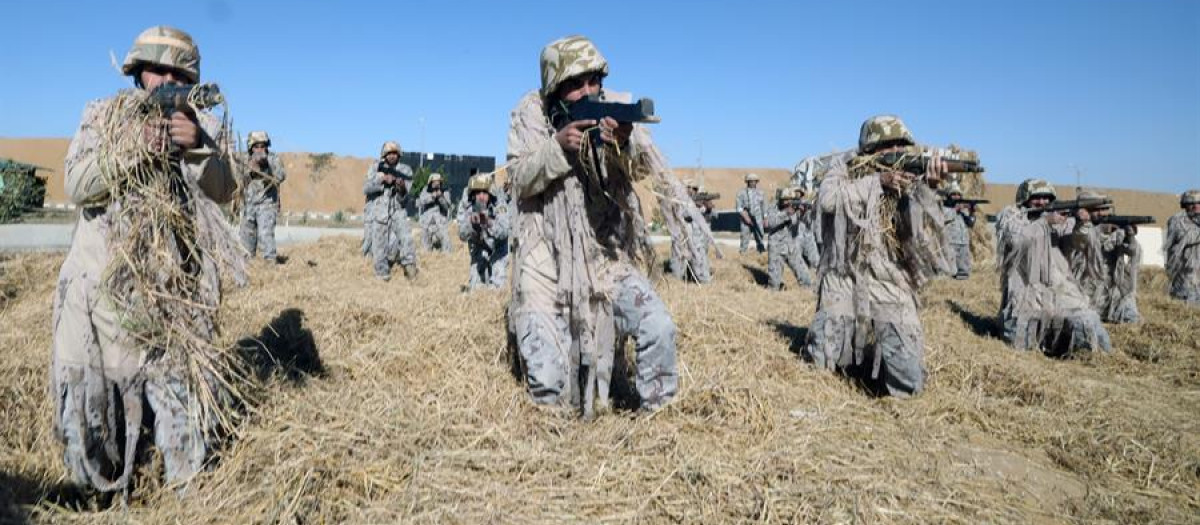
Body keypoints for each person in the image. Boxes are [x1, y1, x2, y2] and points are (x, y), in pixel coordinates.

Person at [51, 26, 238, 494]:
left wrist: (195, 146)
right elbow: (76, 183)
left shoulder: (206, 127)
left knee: (186, 430)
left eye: (177, 71)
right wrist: (134, 151)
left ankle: (182, 496)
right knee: (91, 426)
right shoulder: (103, 116)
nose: (166, 80)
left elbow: (227, 189)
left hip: (173, 306)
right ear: (138, 73)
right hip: (100, 297)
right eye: (157, 70)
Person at [505, 35, 678, 416]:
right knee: (550, 384)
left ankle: (660, 422)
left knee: (658, 326)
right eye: (575, 84)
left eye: (593, 81)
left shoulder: (612, 110)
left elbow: (643, 171)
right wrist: (558, 146)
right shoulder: (531, 115)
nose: (588, 91)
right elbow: (518, 179)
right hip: (545, 255)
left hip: (603, 254)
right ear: (554, 89)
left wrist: (623, 145)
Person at [804, 115, 949, 397]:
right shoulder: (844, 169)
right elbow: (829, 200)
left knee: (908, 381)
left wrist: (927, 188)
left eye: (900, 146)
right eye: (887, 147)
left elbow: (921, 236)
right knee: (822, 362)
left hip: (889, 278)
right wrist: (877, 182)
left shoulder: (911, 179)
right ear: (869, 150)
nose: (895, 153)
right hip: (843, 274)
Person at [995, 179, 1111, 354]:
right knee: (1019, 341)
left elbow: (1076, 243)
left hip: (1057, 289)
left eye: (1046, 198)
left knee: (1085, 321)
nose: (1042, 202)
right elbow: (1017, 239)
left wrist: (1082, 224)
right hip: (1024, 291)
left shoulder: (1060, 221)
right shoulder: (1012, 216)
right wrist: (1044, 223)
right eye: (1037, 197)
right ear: (1025, 199)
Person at [1062, 191, 1141, 323]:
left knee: (1130, 316)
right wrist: (1100, 229)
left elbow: (1133, 252)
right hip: (1085, 290)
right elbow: (1082, 238)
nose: (1102, 213)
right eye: (1097, 210)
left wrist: (1130, 236)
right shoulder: (1073, 227)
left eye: (1105, 209)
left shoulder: (1115, 232)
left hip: (1110, 292)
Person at [363, 141, 418, 280]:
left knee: (406, 239)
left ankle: (410, 269)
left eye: (395, 153)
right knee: (379, 247)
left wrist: (401, 188)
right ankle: (382, 276)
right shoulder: (375, 168)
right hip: (379, 212)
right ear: (384, 155)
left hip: (398, 211)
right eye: (389, 153)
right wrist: (382, 181)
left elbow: (405, 196)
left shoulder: (405, 170)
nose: (392, 156)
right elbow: (366, 188)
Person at [238, 130, 286, 262]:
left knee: (266, 237)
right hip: (248, 206)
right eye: (256, 146)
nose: (259, 149)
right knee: (245, 242)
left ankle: (270, 267)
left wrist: (266, 168)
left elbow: (281, 176)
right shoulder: (245, 160)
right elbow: (238, 179)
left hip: (267, 204)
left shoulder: (273, 158)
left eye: (262, 145)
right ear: (251, 147)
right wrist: (250, 170)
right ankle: (248, 269)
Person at [458, 173, 510, 290]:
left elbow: (504, 231)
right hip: (479, 252)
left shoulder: (499, 206)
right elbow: (462, 234)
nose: (481, 197)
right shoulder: (468, 208)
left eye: (484, 193)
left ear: (490, 193)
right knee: (475, 290)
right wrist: (471, 224)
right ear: (473, 195)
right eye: (478, 193)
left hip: (498, 252)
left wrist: (488, 222)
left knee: (497, 289)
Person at [763, 187, 818, 290]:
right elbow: (769, 224)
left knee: (805, 277)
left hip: (791, 247)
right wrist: (786, 213)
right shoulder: (773, 208)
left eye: (790, 199)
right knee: (774, 284)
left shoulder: (794, 208)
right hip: (776, 248)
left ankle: (808, 292)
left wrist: (802, 213)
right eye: (785, 199)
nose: (788, 202)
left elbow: (798, 223)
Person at [667, 179, 715, 283]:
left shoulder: (698, 202)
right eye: (689, 188)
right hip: (681, 236)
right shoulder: (677, 200)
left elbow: (710, 216)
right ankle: (677, 281)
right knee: (679, 260)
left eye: (694, 189)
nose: (691, 190)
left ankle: (703, 280)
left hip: (696, 238)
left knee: (699, 259)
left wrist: (707, 208)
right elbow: (683, 215)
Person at [1165, 189, 1200, 306]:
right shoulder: (1177, 220)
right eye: (1192, 203)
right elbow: (1186, 236)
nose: (1196, 206)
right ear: (1184, 205)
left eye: (1199, 203)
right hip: (1185, 281)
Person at [941, 182, 976, 280]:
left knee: (964, 273)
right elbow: (943, 218)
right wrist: (956, 209)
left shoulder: (963, 212)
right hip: (950, 245)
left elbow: (971, 223)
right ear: (949, 196)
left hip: (963, 244)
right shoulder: (944, 208)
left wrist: (972, 212)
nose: (956, 196)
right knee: (949, 272)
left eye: (958, 194)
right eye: (953, 194)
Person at [416, 172, 453, 252]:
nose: (437, 184)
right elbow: (419, 202)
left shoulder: (445, 192)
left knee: (446, 242)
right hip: (426, 224)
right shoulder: (425, 190)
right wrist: (432, 196)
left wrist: (440, 197)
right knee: (425, 248)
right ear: (430, 183)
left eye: (438, 182)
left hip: (440, 224)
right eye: (434, 182)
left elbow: (447, 207)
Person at [736, 173, 766, 254]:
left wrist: (765, 218)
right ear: (747, 182)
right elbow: (738, 207)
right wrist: (746, 217)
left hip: (758, 219)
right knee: (744, 238)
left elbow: (764, 207)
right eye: (750, 181)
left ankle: (761, 254)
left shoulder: (761, 193)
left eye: (754, 181)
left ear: (757, 182)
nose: (753, 183)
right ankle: (743, 254)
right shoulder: (741, 193)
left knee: (760, 237)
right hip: (746, 220)